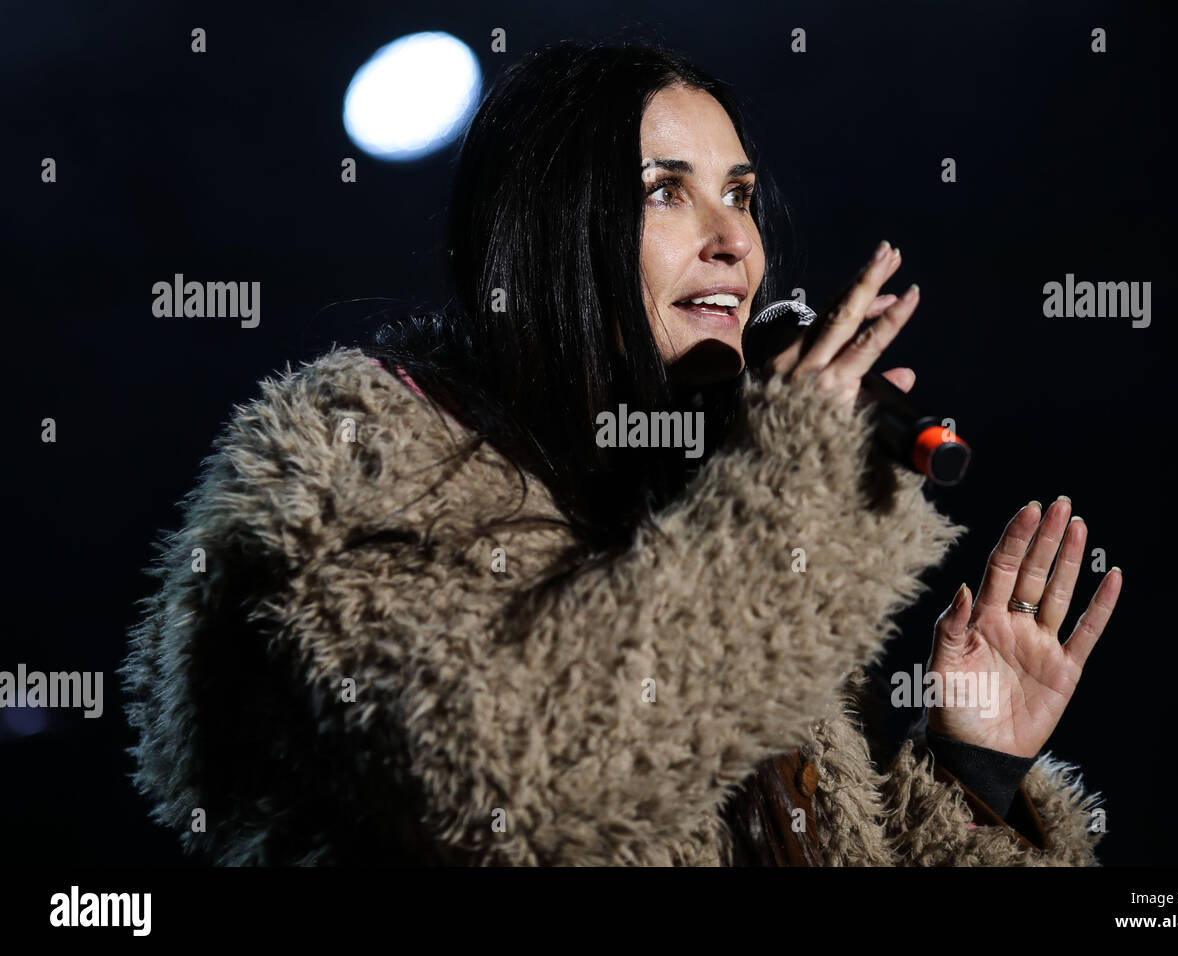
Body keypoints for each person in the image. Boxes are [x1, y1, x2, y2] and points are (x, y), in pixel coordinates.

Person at [120, 39, 1118, 866]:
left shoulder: (718, 513)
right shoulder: (358, 469)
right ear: (551, 233)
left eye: (740, 191)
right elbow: (519, 785)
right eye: (665, 191)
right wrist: (787, 496)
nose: (733, 237)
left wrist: (972, 773)